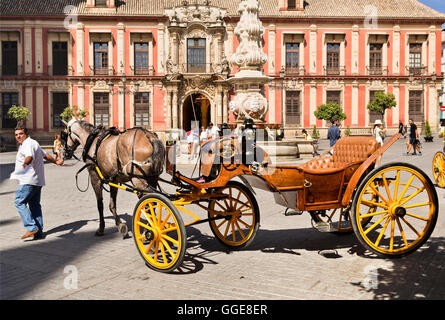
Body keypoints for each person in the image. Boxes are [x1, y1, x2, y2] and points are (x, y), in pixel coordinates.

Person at [11, 125, 63, 240]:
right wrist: (57, 161)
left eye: (20, 134)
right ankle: (38, 232)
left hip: (27, 181)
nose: (18, 136)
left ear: (26, 134)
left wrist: (25, 163)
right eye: (16, 135)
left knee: (19, 202)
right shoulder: (34, 143)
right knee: (34, 205)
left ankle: (31, 227)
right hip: (37, 181)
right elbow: (46, 156)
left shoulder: (28, 144)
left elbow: (29, 156)